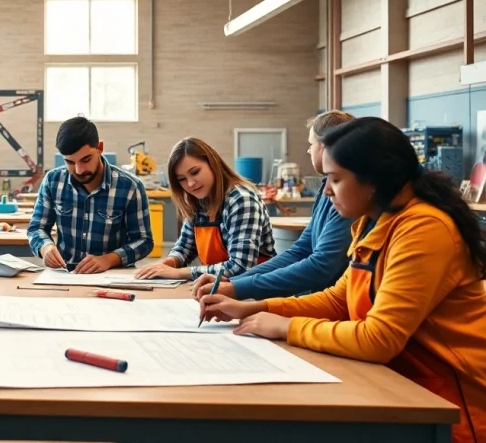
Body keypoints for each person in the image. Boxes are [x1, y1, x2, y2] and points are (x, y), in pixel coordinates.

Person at [201, 117, 486, 443]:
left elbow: (379, 339)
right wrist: (254, 308)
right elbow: (340, 298)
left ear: (372, 180)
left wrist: (285, 327)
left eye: (335, 179)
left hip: (454, 407)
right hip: (404, 385)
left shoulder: (423, 229)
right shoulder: (377, 220)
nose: (327, 192)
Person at [192, 111, 355, 300]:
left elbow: (321, 267)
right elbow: (301, 250)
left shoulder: (348, 198)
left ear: (325, 147)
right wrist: (234, 283)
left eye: (311, 145)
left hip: (332, 304)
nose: (309, 151)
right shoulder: (327, 191)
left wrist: (238, 288)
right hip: (316, 301)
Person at [27, 117, 153, 273]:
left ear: (99, 147)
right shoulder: (52, 181)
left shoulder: (130, 187)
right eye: (70, 162)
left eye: (86, 159)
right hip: (65, 275)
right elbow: (36, 228)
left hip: (111, 276)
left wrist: (109, 259)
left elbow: (144, 241)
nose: (79, 170)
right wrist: (45, 247)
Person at [137, 137, 274, 281]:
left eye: (195, 172)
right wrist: (167, 264)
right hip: (219, 287)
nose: (190, 183)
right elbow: (185, 247)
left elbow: (240, 267)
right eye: (182, 179)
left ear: (212, 163)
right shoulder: (197, 201)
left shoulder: (241, 200)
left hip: (255, 292)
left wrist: (179, 273)